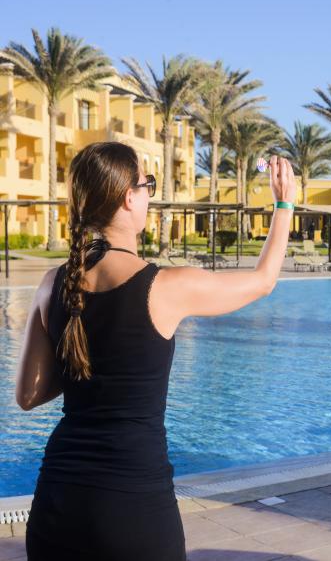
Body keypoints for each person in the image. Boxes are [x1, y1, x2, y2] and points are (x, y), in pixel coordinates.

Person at [15, 142, 296, 560]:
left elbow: (28, 394)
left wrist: (85, 361)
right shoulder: (165, 287)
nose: (149, 194)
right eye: (147, 185)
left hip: (57, 505)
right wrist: (284, 204)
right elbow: (263, 281)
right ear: (128, 197)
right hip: (133, 510)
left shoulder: (52, 284)